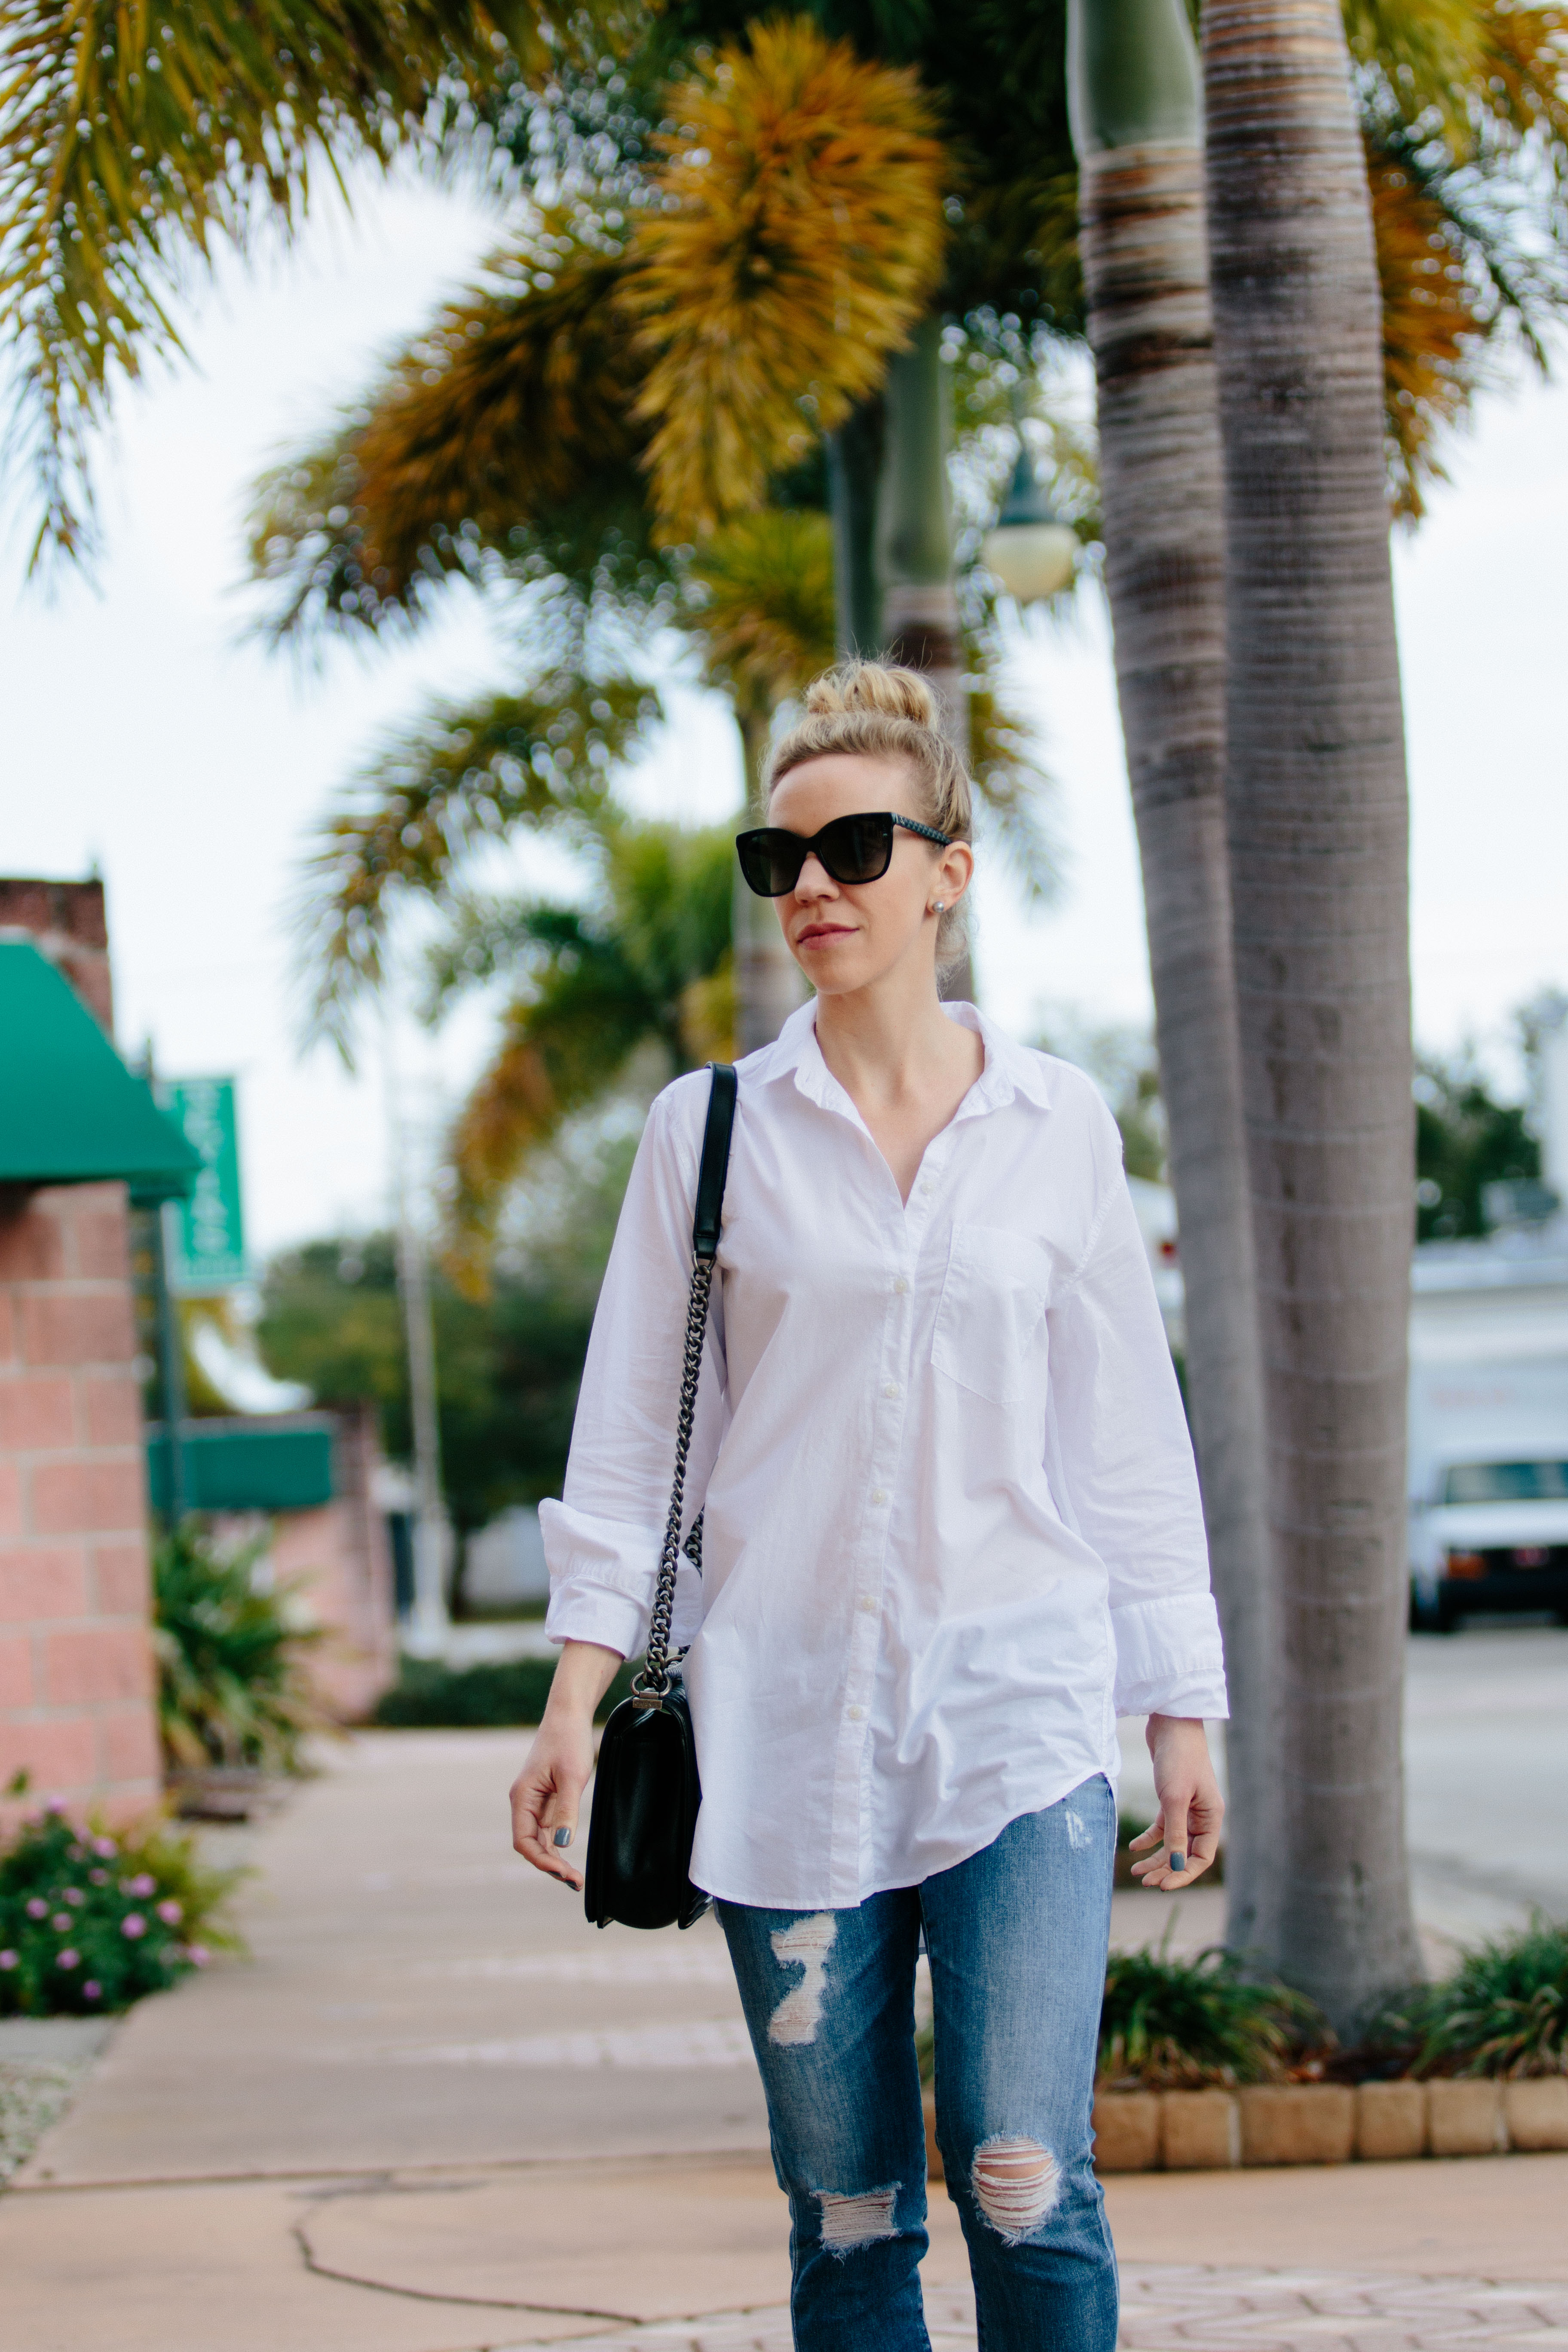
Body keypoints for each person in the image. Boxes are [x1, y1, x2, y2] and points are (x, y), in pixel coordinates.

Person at [510, 662, 1227, 2351]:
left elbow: (1129, 1442)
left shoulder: (1059, 1126)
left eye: (852, 848)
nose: (812, 887)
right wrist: (569, 1695)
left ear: (948, 873)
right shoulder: (712, 1133)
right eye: (780, 860)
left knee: (1026, 2170)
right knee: (844, 2214)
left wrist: (1177, 1709)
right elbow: (631, 1436)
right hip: (788, 1728)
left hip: (1021, 1718)